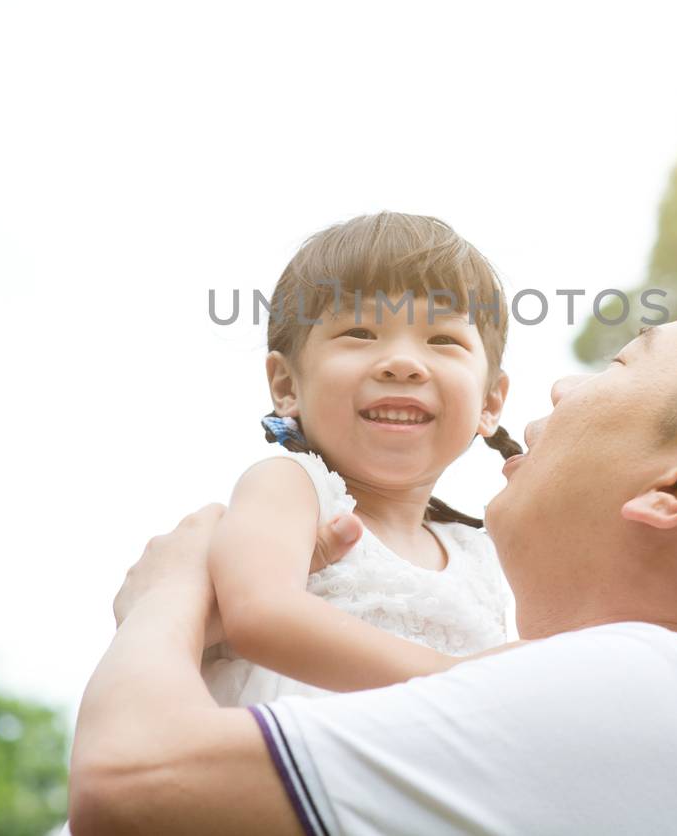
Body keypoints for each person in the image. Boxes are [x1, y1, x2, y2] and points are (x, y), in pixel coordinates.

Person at [70, 275, 677, 835]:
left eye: (619, 364)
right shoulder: (669, 727)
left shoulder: (654, 692)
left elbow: (127, 784)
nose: (563, 386)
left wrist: (171, 589)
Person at [201, 210, 524, 705]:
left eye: (443, 340)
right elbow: (259, 613)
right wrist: (455, 678)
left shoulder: (479, 553)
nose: (402, 363)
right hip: (285, 767)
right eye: (359, 334)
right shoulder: (292, 486)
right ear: (287, 386)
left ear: (490, 403)